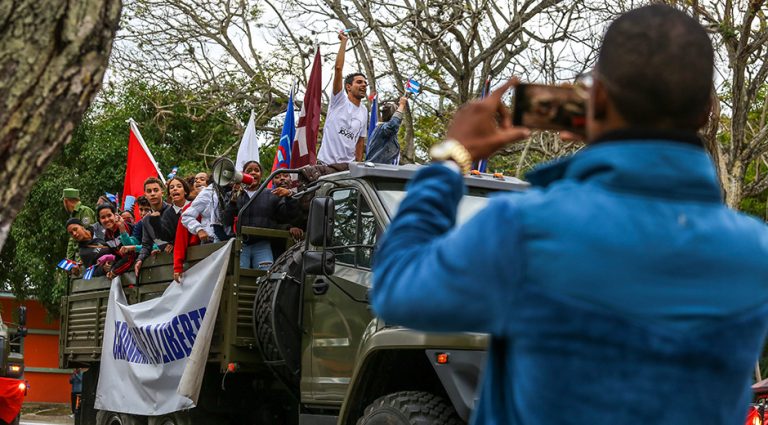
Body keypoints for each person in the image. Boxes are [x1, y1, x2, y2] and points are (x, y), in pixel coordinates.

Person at [371, 5, 768, 424]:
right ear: (708, 110)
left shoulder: (525, 227)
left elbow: (397, 289)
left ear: (596, 98)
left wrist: (451, 158)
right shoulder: (755, 253)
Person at [222, 161, 297, 269]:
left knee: (265, 274)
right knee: (240, 275)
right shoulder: (232, 194)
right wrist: (233, 201)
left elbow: (287, 216)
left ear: (261, 175)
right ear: (243, 174)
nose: (253, 173)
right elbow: (226, 220)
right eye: (249, 170)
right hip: (241, 244)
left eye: (256, 170)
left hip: (262, 244)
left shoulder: (272, 194)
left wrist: (289, 197)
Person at [316, 31, 368, 164]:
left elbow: (360, 140)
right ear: (348, 87)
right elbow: (338, 69)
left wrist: (358, 165)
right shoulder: (339, 100)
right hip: (326, 164)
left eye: (365, 83)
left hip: (347, 169)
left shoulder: (364, 111)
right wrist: (343, 42)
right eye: (359, 82)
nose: (363, 85)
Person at [133, 178, 170, 277]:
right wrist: (140, 259)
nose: (152, 193)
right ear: (145, 195)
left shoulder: (173, 211)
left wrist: (172, 244)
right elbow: (146, 245)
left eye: (156, 190)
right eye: (149, 191)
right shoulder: (146, 220)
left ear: (162, 192)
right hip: (165, 265)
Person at [96, 204, 136, 278]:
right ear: (99, 220)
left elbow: (131, 255)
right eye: (103, 217)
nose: (107, 219)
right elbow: (117, 256)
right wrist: (109, 268)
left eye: (109, 215)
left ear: (115, 215)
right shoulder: (107, 236)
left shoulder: (124, 226)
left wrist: (114, 271)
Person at [366, 97, 408, 164]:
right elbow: (393, 125)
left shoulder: (387, 133)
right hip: (376, 171)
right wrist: (401, 105)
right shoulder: (382, 129)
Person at [62, 188, 96, 261]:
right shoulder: (73, 215)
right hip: (78, 258)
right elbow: (72, 241)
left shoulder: (84, 211)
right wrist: (69, 260)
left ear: (66, 201)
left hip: (87, 256)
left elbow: (89, 236)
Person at [160, 176, 191, 253]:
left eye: (179, 186)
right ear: (170, 194)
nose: (175, 189)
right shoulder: (167, 214)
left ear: (185, 191)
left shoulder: (195, 205)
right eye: (171, 187)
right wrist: (170, 244)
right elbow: (164, 237)